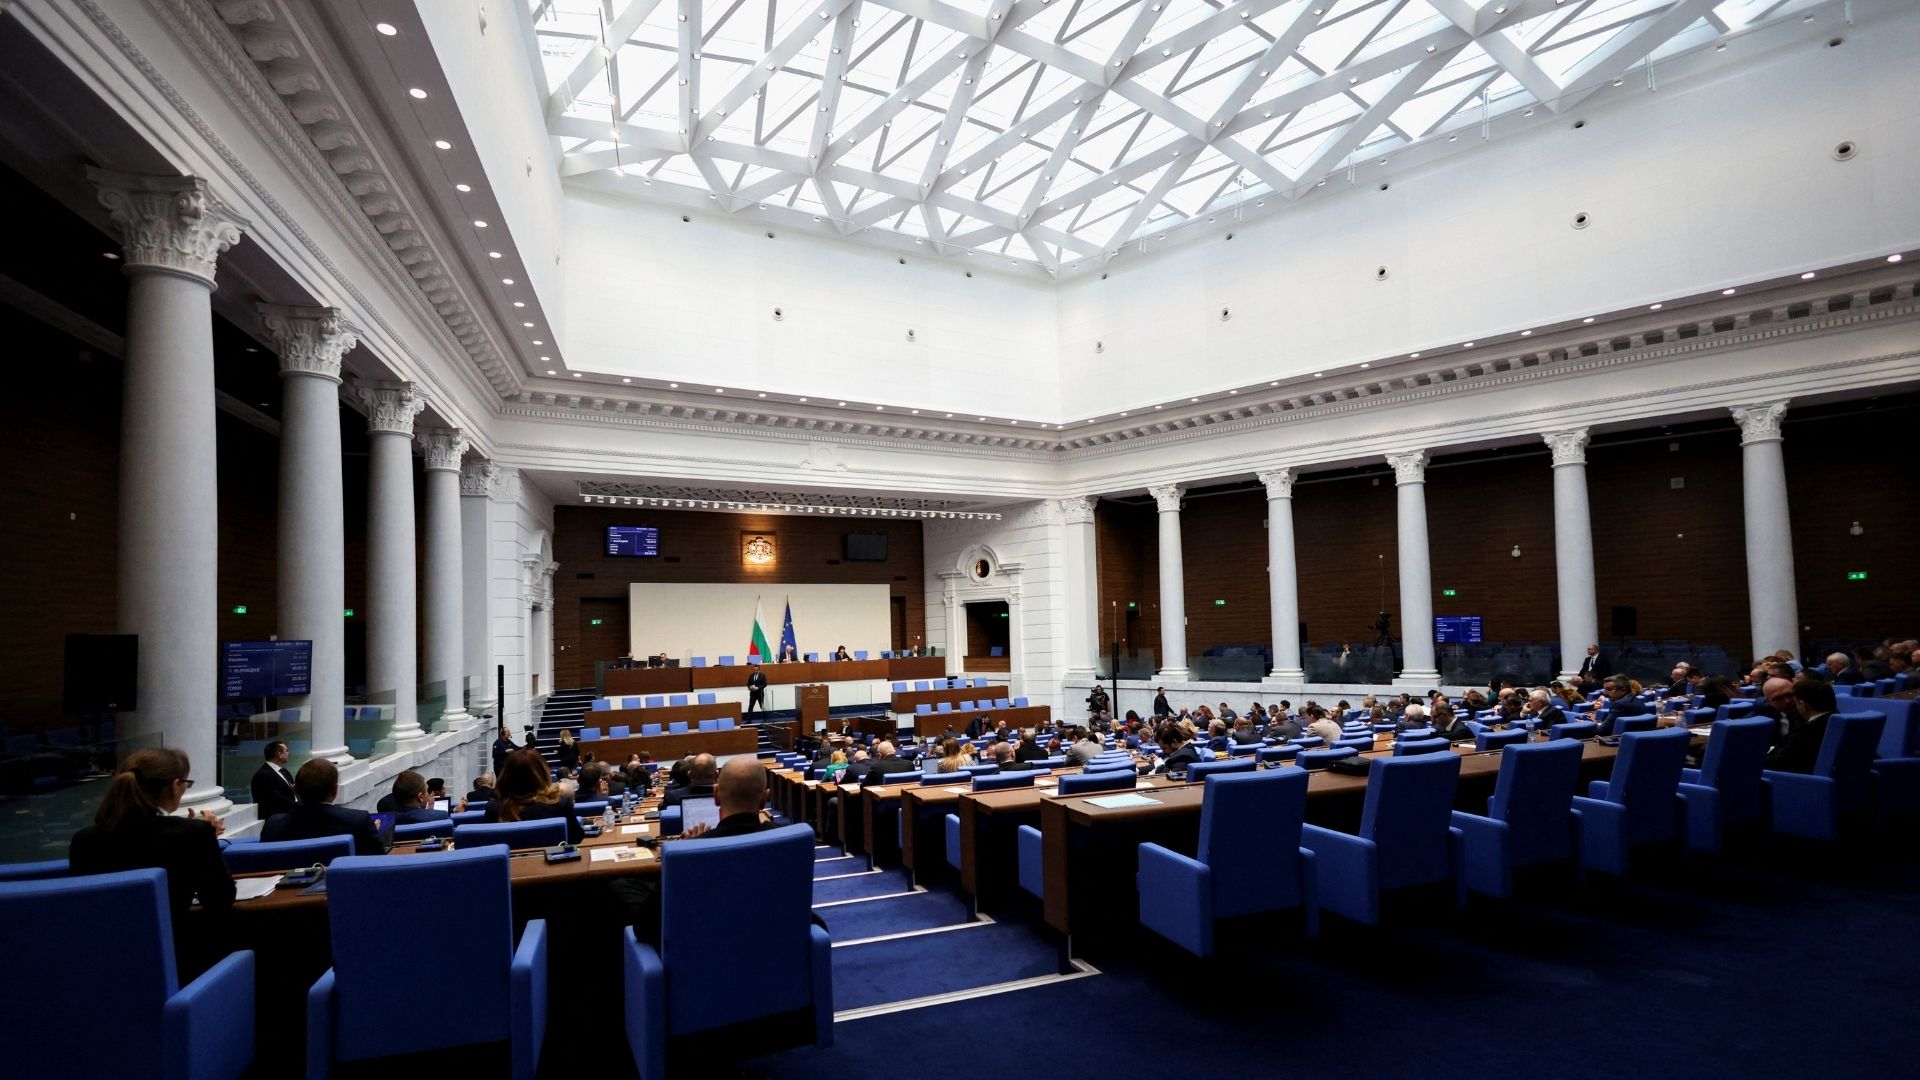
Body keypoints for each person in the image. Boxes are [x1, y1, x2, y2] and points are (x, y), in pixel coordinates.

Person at [69, 747, 234, 978]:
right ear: (175, 785)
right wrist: (206, 839)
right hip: (176, 966)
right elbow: (220, 900)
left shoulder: (83, 840)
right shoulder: (192, 834)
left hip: (100, 967)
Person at [262, 759, 385, 854]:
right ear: (335, 789)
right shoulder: (359, 821)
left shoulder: (273, 825)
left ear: (295, 790)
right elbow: (377, 860)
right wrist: (373, 833)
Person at [486, 747, 586, 844]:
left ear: (506, 775)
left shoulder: (493, 809)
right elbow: (576, 838)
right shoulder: (560, 804)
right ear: (542, 773)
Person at [1765, 676, 1838, 773]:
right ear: (1769, 702)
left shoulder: (1807, 730)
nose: (1787, 701)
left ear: (1802, 704)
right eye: (1778, 698)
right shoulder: (1837, 719)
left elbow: (1780, 761)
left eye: (1790, 696)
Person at [249, 740, 298, 820]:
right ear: (279, 754)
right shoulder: (262, 775)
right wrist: (299, 806)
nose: (288, 753)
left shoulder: (284, 771)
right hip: (278, 819)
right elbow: (275, 799)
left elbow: (293, 792)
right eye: (286, 751)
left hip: (292, 814)